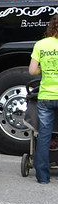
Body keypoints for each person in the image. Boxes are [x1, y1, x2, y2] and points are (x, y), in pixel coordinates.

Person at [28, 14, 58, 184]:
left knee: (44, 136)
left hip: (46, 96)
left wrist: (43, 70)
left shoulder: (41, 45)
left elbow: (32, 71)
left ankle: (43, 177)